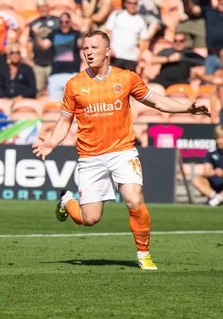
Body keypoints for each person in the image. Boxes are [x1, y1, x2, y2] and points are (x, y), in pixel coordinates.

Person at [32, 30, 210, 270]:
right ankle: (67, 200)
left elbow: (156, 101)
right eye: (85, 49)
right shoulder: (74, 85)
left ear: (108, 51)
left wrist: (187, 108)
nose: (89, 52)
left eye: (94, 48)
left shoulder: (126, 78)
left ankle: (143, 255)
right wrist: (51, 142)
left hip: (123, 152)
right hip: (90, 157)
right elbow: (64, 121)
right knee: (90, 218)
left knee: (134, 200)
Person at [34, 12, 82, 100]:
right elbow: (44, 46)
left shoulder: (76, 34)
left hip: (72, 74)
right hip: (56, 74)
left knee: (74, 105)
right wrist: (37, 35)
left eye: (66, 22)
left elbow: (82, 44)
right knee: (54, 105)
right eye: (61, 22)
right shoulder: (54, 34)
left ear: (70, 22)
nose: (64, 24)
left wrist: (83, 31)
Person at [104, 0, 148, 72]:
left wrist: (139, 55)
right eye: (130, 3)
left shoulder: (140, 20)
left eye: (135, 3)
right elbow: (107, 32)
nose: (132, 5)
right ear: (125, 4)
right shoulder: (116, 15)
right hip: (116, 56)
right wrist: (109, 48)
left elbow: (143, 40)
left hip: (131, 58)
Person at [28, 0, 60, 92]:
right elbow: (29, 41)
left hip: (53, 63)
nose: (42, 9)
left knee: (53, 90)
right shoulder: (34, 23)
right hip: (38, 63)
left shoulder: (56, 21)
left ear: (48, 7)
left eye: (44, 7)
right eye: (40, 7)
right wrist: (29, 57)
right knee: (38, 89)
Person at [192, 125, 223, 206]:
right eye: (217, 138)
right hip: (214, 185)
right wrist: (215, 172)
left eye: (221, 138)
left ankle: (213, 202)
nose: (219, 141)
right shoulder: (211, 153)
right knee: (196, 180)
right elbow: (206, 172)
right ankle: (216, 198)